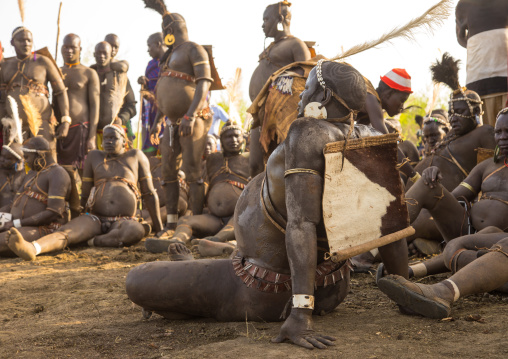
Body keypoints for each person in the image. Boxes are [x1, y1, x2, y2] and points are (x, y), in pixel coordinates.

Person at [126, 61, 410, 349]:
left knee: (137, 280)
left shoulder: (308, 132)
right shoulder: (372, 137)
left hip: (263, 290)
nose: (300, 96)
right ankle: (198, 269)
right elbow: (391, 221)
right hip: (333, 288)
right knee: (191, 289)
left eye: (307, 88)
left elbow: (302, 224)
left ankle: (196, 272)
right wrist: (404, 286)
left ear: (323, 97)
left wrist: (301, 313)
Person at [6, 124, 162, 261]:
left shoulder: (135, 156)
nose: (107, 141)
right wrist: (78, 219)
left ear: (124, 140)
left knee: (134, 230)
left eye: (113, 138)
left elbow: (149, 193)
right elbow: (85, 194)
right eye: (105, 138)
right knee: (66, 233)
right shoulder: (95, 156)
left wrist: (160, 229)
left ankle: (92, 241)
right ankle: (33, 248)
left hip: (124, 219)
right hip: (95, 218)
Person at [144, 3, 215, 236]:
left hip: (193, 120)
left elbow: (205, 82)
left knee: (193, 172)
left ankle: (194, 224)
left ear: (171, 30)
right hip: (171, 124)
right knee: (167, 172)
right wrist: (156, 124)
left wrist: (190, 115)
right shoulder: (169, 55)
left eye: (164, 30)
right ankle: (172, 224)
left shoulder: (194, 49)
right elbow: (164, 93)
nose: (164, 35)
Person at [145, 120, 248, 254]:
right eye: (228, 136)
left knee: (239, 216)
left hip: (239, 215)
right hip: (215, 219)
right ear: (221, 141)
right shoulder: (213, 159)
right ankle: (176, 241)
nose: (233, 140)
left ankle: (215, 241)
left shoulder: (249, 158)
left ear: (243, 139)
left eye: (236, 136)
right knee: (185, 220)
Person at [248, 1, 312, 177]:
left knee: (280, 163)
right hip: (260, 113)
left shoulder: (296, 44)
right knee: (254, 164)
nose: (263, 24)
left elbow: (308, 76)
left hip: (283, 115)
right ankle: (258, 203)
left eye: (266, 19)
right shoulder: (271, 47)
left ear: (281, 19)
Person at [0, 27, 71, 155]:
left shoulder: (42, 61)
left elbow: (60, 92)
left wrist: (66, 121)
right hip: (14, 127)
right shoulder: (5, 65)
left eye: (29, 40)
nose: (26, 43)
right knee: (16, 165)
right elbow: (2, 98)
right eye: (21, 40)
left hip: (42, 123)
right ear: (12, 42)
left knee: (46, 162)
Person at [0, 137, 71, 258]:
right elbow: (14, 204)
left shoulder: (57, 173)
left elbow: (53, 213)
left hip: (43, 229)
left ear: (39, 155)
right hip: (17, 225)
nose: (25, 161)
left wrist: (16, 223)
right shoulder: (32, 173)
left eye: (27, 157)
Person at [455, 0, 508, 127]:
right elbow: (460, 37)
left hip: (505, 80)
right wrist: (479, 48)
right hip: (477, 82)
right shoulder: (463, 5)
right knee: (487, 136)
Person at [55, 34, 100, 171]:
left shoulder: (89, 73)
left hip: (81, 130)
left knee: (84, 174)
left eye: (73, 47)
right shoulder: (56, 72)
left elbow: (95, 106)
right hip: (60, 132)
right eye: (66, 47)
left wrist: (92, 137)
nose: (69, 50)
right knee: (61, 174)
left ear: (80, 49)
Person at [92, 41, 136, 147]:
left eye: (104, 53)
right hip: (93, 134)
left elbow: (132, 106)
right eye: (98, 53)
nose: (101, 56)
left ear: (110, 54)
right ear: (94, 54)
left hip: (116, 133)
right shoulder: (90, 74)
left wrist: (121, 119)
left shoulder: (120, 76)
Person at [138, 32, 167, 156]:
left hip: (168, 112)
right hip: (151, 114)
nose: (147, 50)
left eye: (149, 46)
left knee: (168, 149)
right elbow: (148, 88)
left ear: (158, 44)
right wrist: (142, 82)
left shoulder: (173, 61)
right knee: (149, 153)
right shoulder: (151, 64)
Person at [0, 143, 25, 208]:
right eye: (1, 156)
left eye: (8, 158)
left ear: (18, 161)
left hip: (16, 214)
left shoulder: (23, 176)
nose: (1, 159)